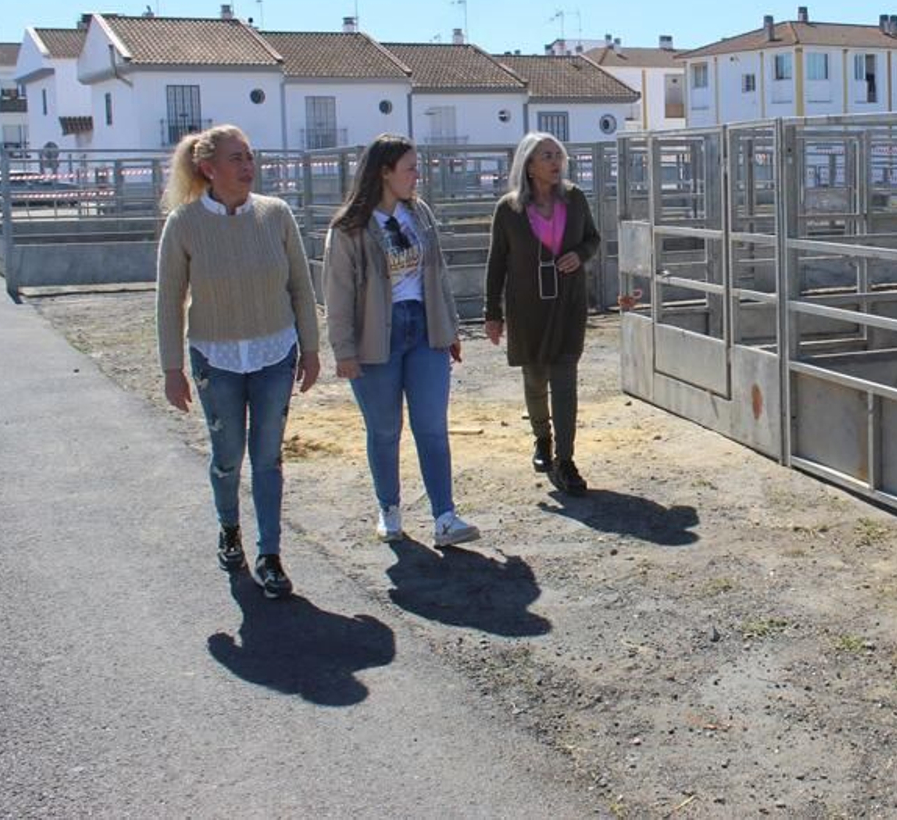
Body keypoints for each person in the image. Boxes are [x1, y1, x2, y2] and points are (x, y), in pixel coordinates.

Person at [157, 125, 321, 600]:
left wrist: (310, 349)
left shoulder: (276, 215)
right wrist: (172, 368)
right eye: (236, 159)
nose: (247, 166)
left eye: (250, 157)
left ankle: (270, 554)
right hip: (216, 357)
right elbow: (170, 300)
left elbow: (299, 288)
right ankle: (229, 530)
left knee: (268, 458)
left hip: (275, 353)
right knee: (228, 456)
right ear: (208, 168)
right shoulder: (184, 224)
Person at [323, 135, 481, 548]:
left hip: (425, 328)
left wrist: (450, 329)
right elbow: (337, 294)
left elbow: (438, 273)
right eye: (409, 168)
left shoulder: (420, 213)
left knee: (431, 426)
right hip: (378, 333)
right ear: (384, 172)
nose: (417, 176)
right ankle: (389, 508)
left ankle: (444, 515)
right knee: (384, 429)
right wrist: (344, 351)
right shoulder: (350, 228)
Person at [484, 132, 600, 495]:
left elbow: (593, 238)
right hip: (528, 306)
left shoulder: (576, 199)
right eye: (546, 156)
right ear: (529, 166)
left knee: (564, 380)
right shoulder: (509, 208)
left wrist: (578, 255)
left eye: (558, 155)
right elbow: (496, 262)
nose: (555, 162)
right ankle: (542, 439)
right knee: (535, 377)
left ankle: (566, 460)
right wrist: (492, 312)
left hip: (568, 303)